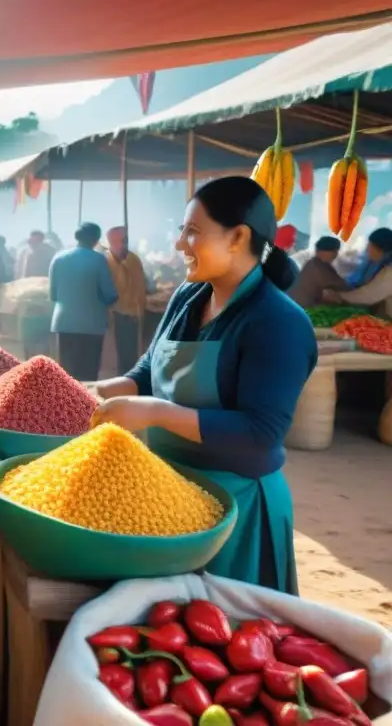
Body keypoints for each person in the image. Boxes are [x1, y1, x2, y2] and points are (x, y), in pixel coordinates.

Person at [89, 177, 315, 593]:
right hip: (170, 496)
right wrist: (90, 389)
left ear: (238, 237)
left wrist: (157, 413)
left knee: (230, 636)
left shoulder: (277, 322)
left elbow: (261, 435)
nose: (180, 245)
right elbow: (147, 374)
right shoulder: (189, 297)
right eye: (182, 231)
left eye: (192, 232)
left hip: (237, 510)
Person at [50, 223, 118, 381]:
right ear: (96, 240)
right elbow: (109, 294)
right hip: (91, 325)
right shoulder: (98, 260)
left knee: (66, 375)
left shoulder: (58, 258)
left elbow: (53, 295)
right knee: (88, 374)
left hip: (64, 323)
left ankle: (64, 405)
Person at [104, 226, 147, 374]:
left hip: (131, 314)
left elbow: (141, 285)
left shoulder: (133, 259)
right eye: (121, 240)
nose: (124, 243)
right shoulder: (105, 260)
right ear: (111, 240)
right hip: (111, 314)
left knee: (129, 356)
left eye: (125, 239)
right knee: (112, 357)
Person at [330, 227, 392, 315]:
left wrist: (339, 296)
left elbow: (368, 295)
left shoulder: (389, 273)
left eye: (369, 246)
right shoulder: (382, 266)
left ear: (378, 249)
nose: (367, 250)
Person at [287, 236, 347, 309]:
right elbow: (340, 287)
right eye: (335, 251)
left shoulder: (312, 263)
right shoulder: (319, 268)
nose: (336, 254)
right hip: (306, 310)